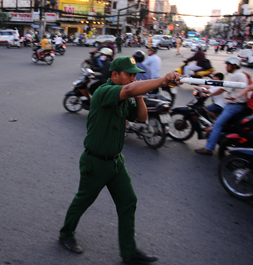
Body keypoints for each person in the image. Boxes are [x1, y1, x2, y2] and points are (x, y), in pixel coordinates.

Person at [59, 56, 181, 264]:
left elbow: (142, 118)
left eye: (135, 74)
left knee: (128, 202)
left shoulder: (125, 97)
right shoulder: (104, 92)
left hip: (116, 162)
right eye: (129, 74)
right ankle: (66, 234)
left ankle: (129, 251)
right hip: (95, 162)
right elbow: (128, 90)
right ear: (114, 75)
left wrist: (140, 96)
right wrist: (162, 81)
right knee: (84, 200)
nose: (133, 78)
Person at [195, 57, 250, 155]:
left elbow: (222, 89)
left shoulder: (235, 76)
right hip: (237, 104)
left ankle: (208, 148)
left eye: (228, 65)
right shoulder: (240, 74)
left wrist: (208, 95)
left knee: (217, 125)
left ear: (234, 65)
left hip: (234, 106)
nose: (226, 67)